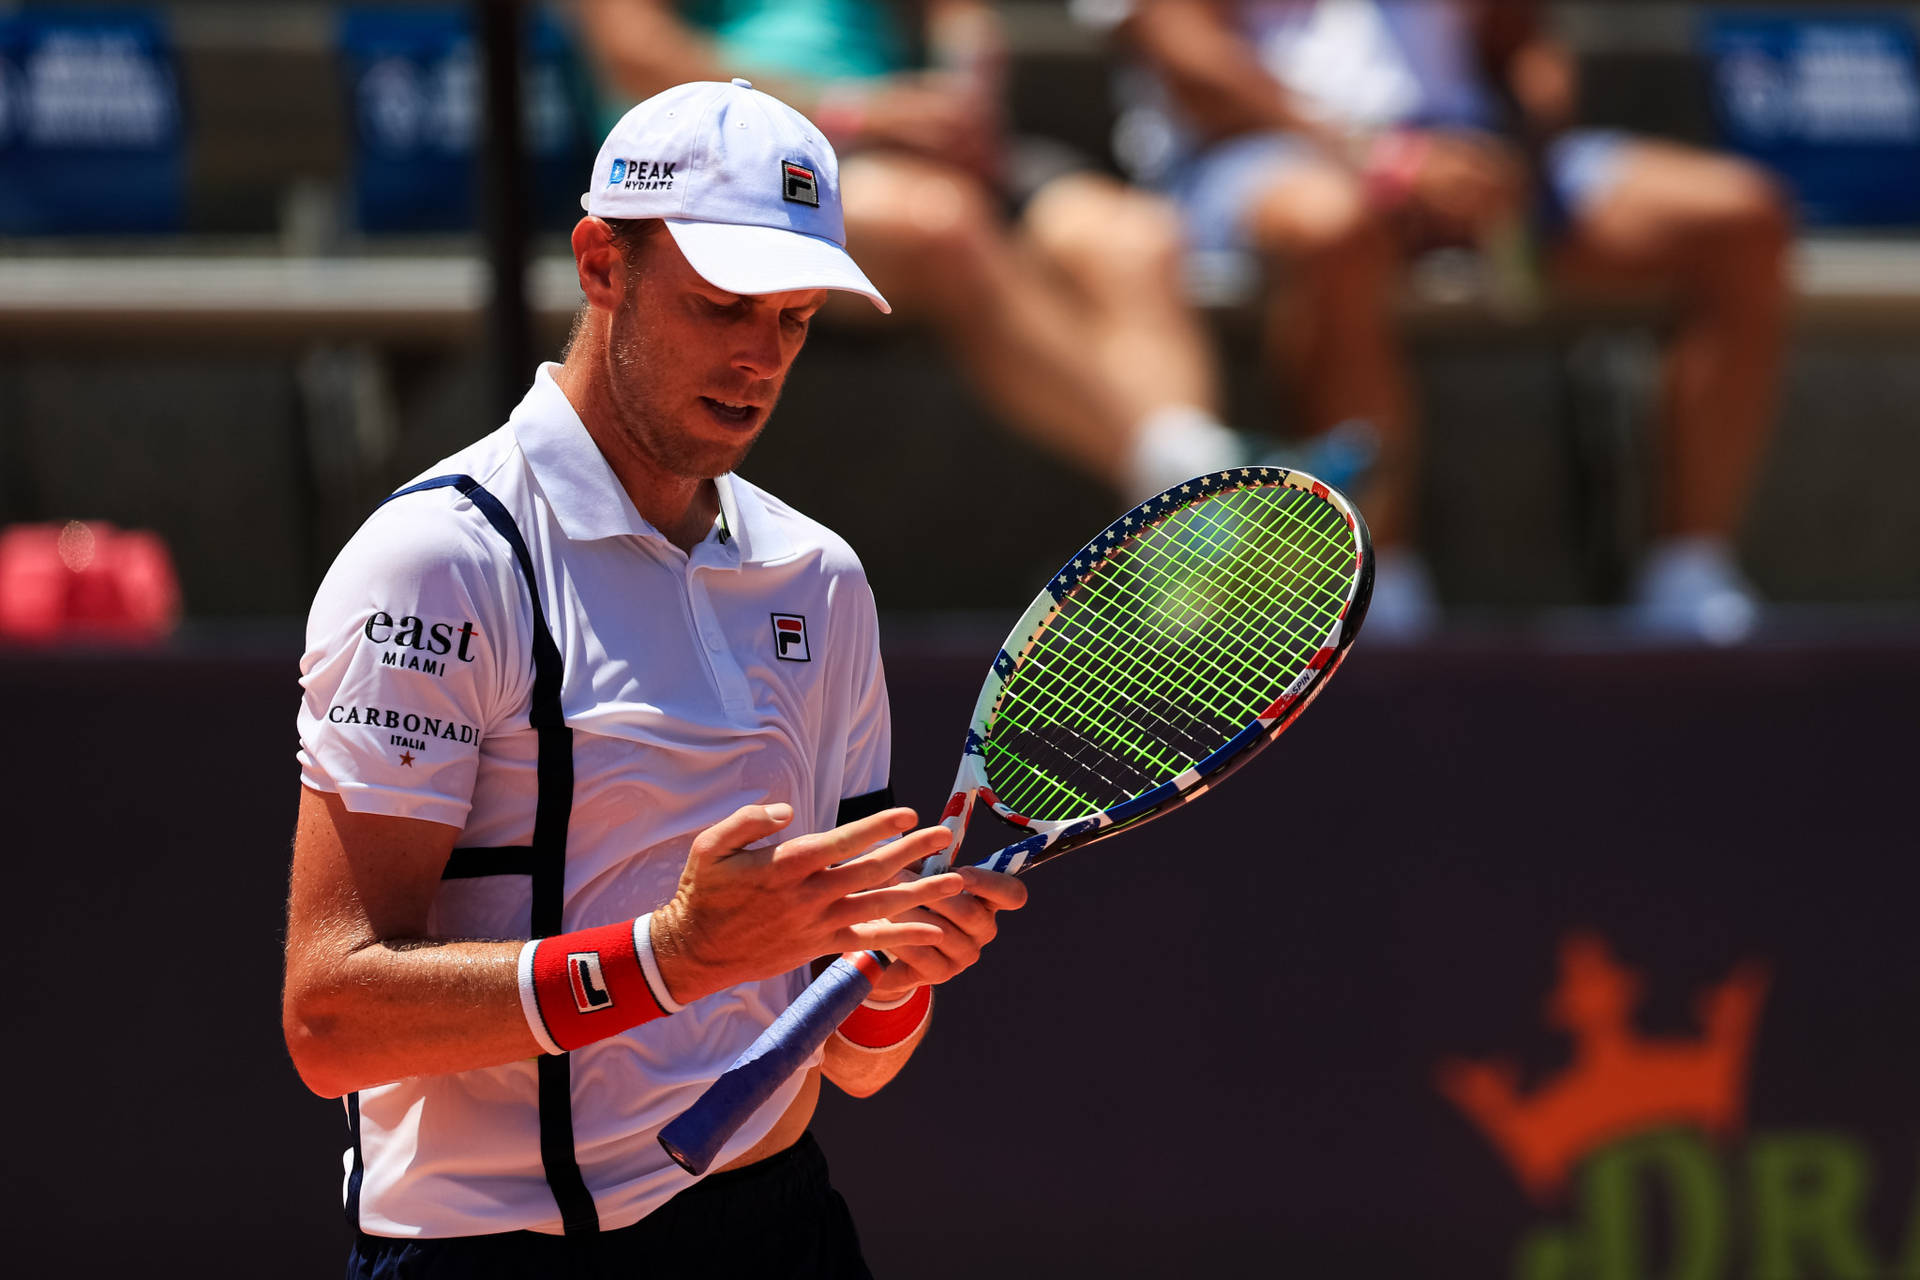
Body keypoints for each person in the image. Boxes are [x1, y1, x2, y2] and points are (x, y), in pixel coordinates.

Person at [282, 79, 1026, 1277]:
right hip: (491, 1251)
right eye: (722, 303)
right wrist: (672, 956)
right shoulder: (439, 559)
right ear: (600, 264)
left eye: (791, 320)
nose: (757, 358)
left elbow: (853, 1054)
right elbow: (331, 1016)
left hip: (781, 1230)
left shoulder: (820, 578)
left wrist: (889, 976)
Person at [1109, 0, 1792, 641]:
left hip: (1461, 155)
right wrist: (1376, 159)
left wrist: (1511, 152)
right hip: (1256, 154)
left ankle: (1687, 577)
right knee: (1333, 234)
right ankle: (1376, 592)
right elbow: (1189, 59)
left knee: (1741, 220)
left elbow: (1522, 46)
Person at [576, 0, 1277, 501]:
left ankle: (1182, 514)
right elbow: (637, 55)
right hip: (726, 168)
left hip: (907, 144)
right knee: (943, 228)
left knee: (1131, 237)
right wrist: (858, 111)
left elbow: (959, 21)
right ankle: (1196, 492)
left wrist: (963, 93)